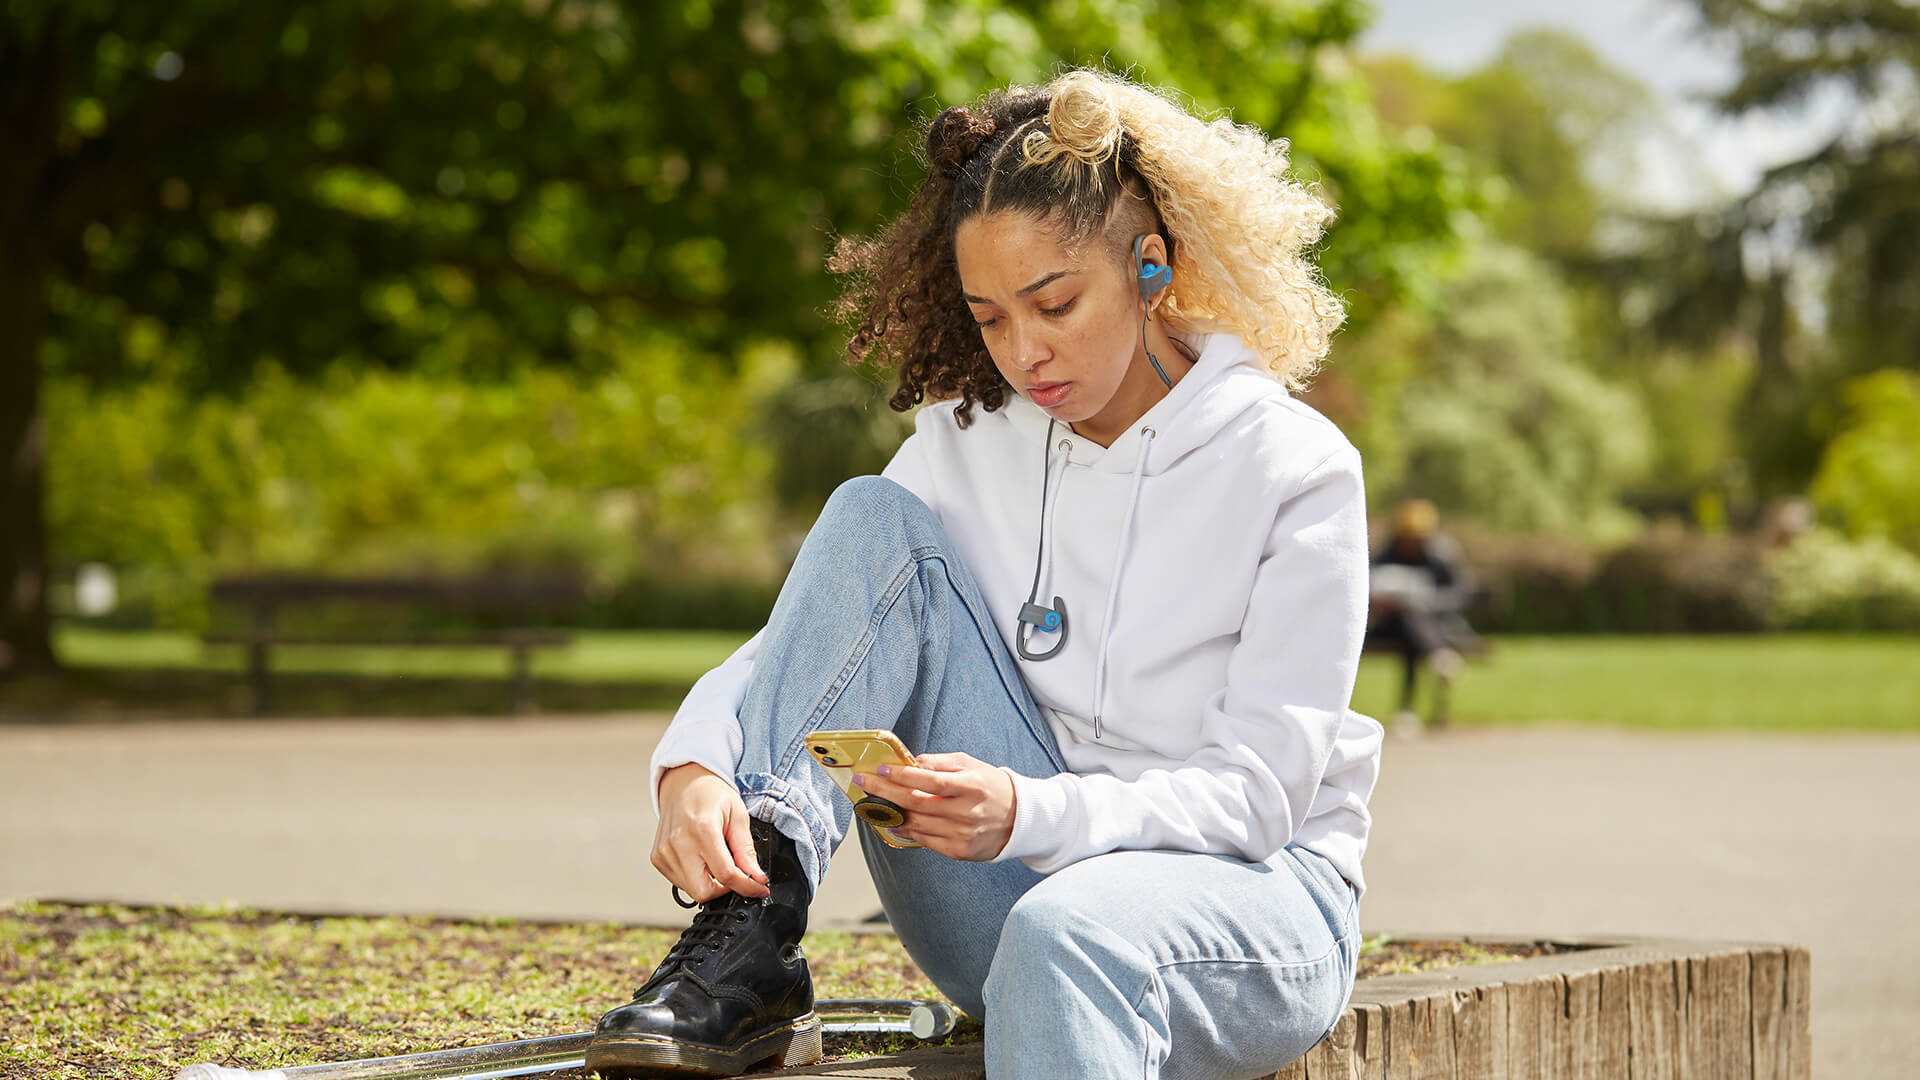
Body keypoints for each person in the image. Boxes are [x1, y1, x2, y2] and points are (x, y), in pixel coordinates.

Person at [585, 67, 1384, 1080]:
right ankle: (753, 931)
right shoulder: (969, 436)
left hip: (1249, 907)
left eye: (1054, 304)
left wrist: (1031, 812)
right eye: (991, 317)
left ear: (1148, 269)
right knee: (870, 516)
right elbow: (830, 634)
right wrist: (694, 762)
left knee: (1074, 930)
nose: (1024, 355)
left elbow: (1260, 796)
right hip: (1001, 886)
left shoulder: (1294, 467)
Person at [1364, 498, 1482, 734]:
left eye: (1417, 538)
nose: (1411, 543)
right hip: (1392, 625)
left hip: (1438, 625)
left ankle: (1407, 710)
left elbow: (1461, 594)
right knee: (1408, 620)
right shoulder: (1387, 553)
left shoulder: (1442, 554)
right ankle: (1439, 657)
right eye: (1407, 537)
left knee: (1412, 623)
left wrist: (1427, 601)